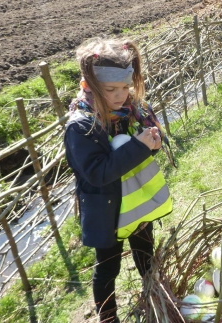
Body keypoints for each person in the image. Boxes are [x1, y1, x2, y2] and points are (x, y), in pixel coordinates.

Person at [65, 38, 172, 323]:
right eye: (111, 89)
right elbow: (98, 173)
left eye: (125, 87)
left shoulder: (131, 110)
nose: (120, 95)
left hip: (136, 201)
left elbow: (151, 136)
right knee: (108, 266)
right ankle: (108, 317)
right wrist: (138, 147)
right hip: (107, 211)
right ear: (90, 85)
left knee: (145, 251)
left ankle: (153, 294)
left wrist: (154, 140)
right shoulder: (82, 126)